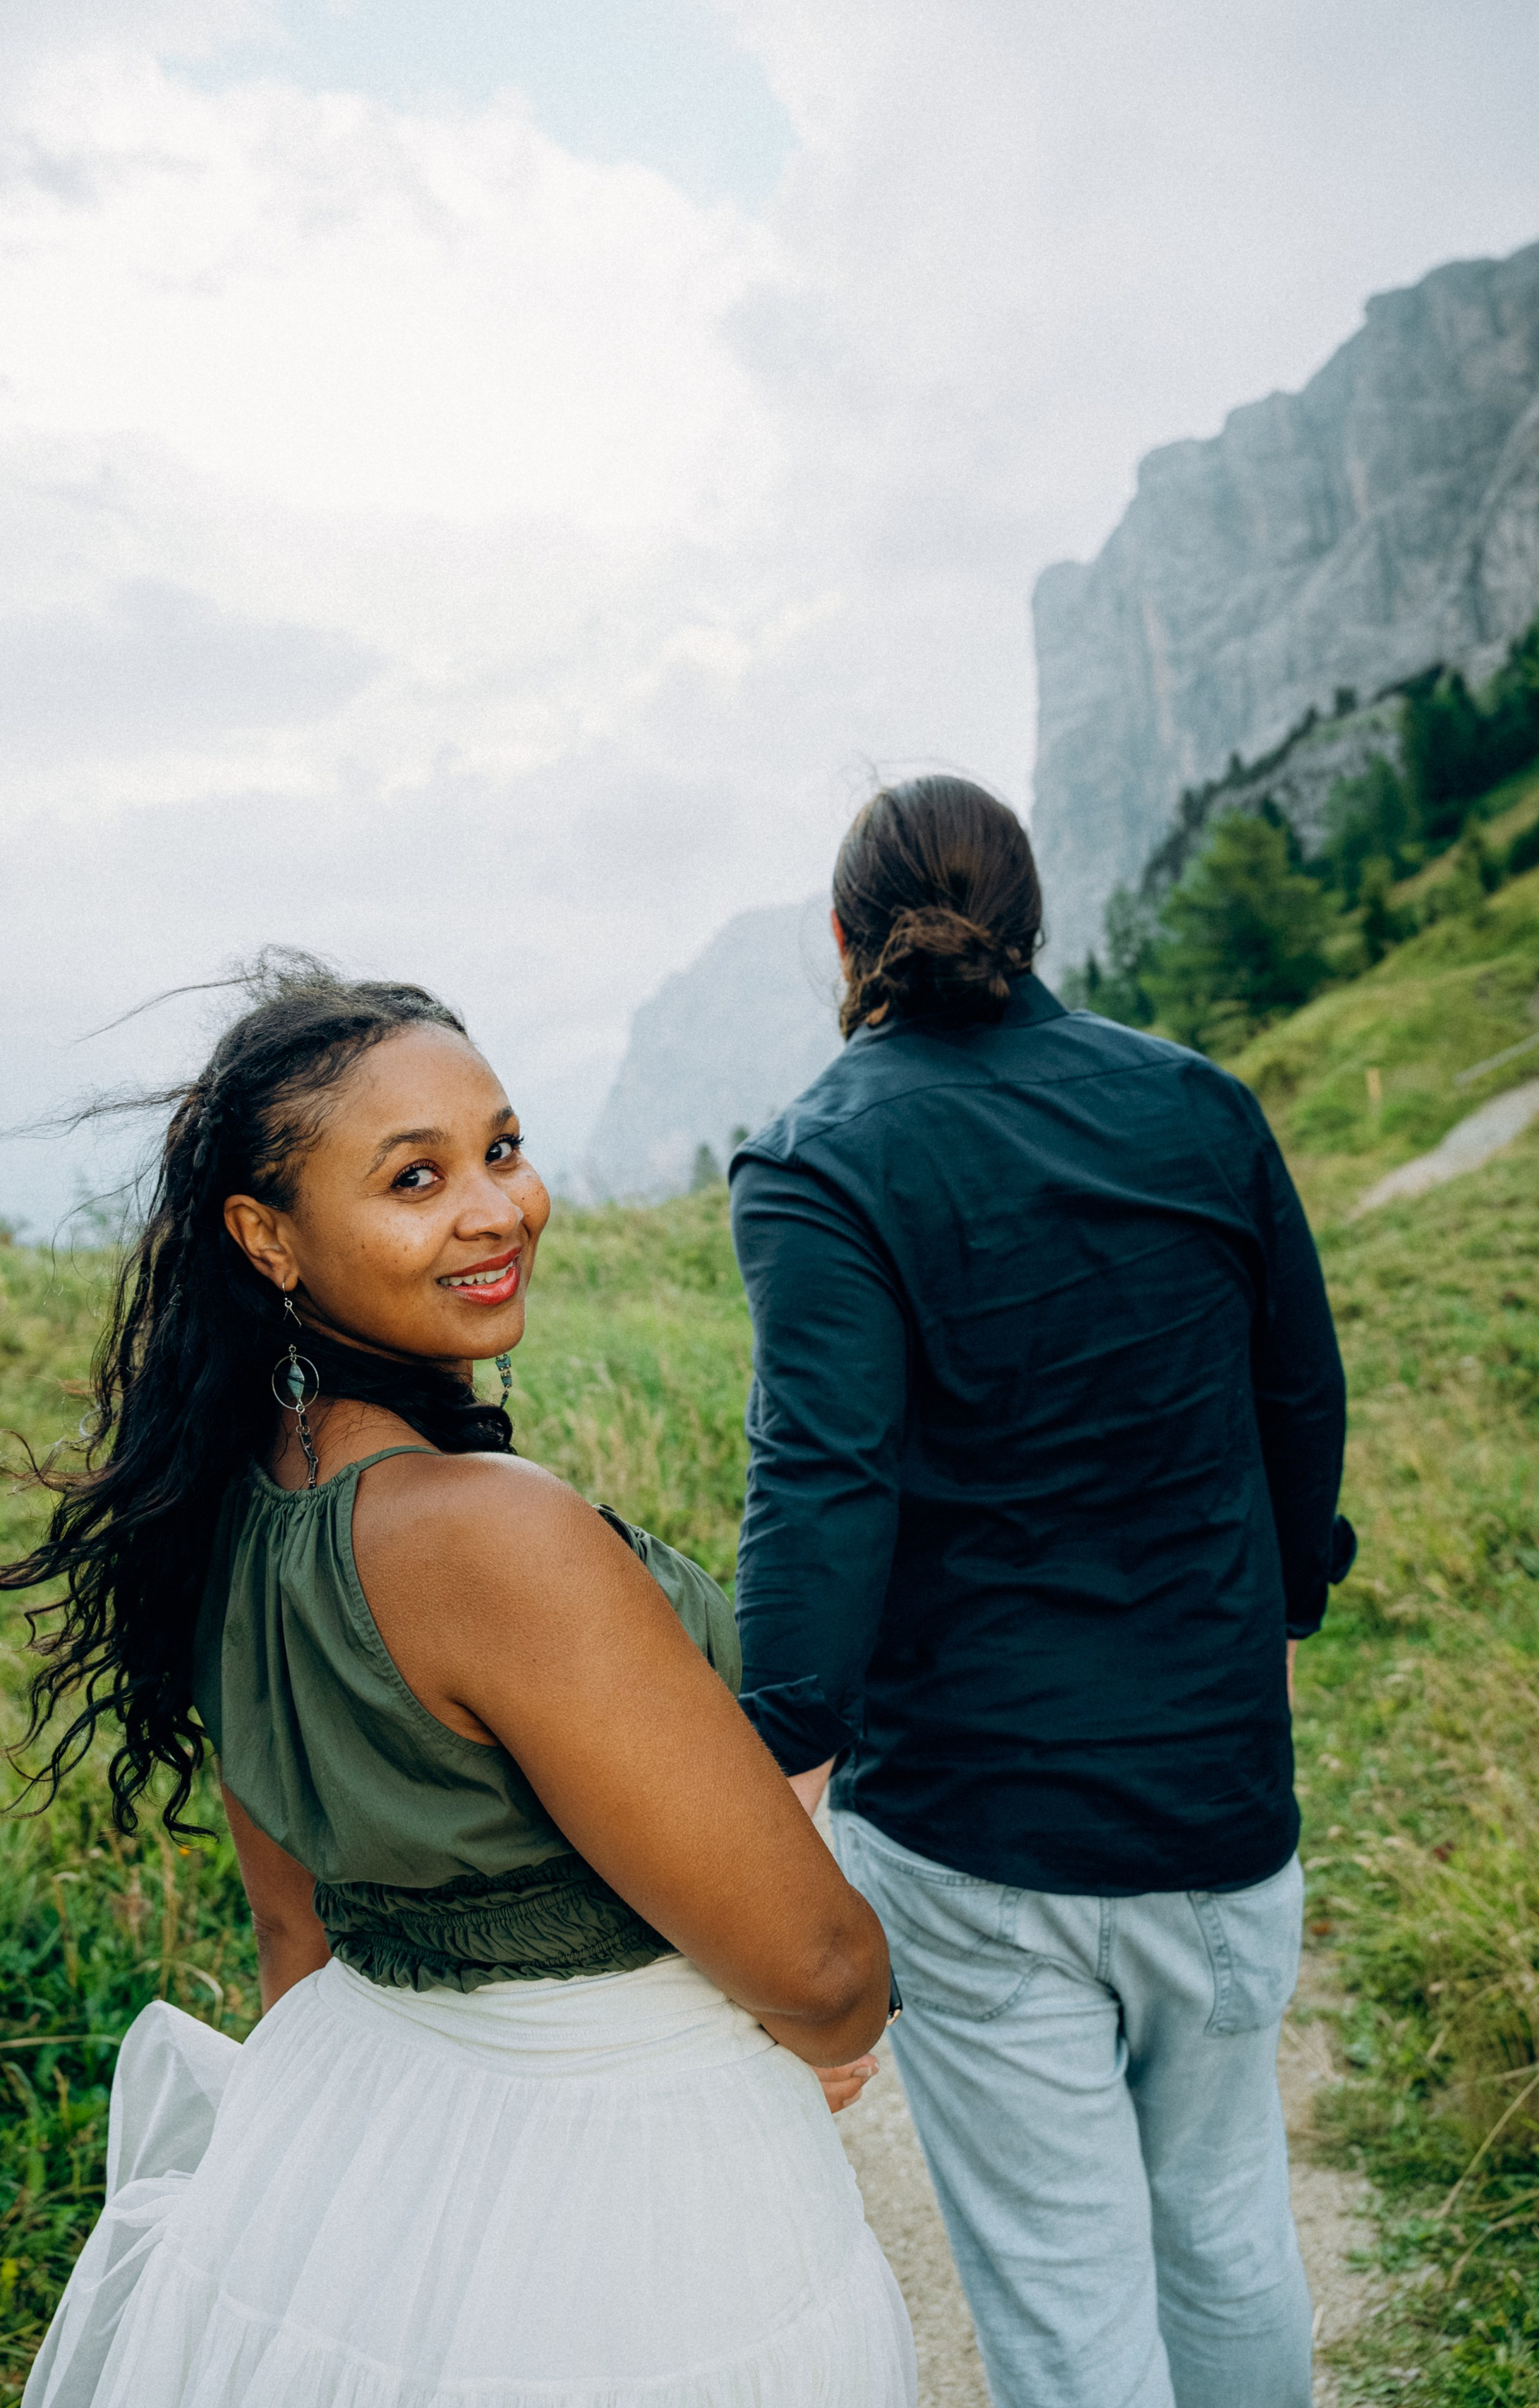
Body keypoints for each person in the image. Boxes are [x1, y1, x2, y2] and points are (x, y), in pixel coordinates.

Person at [0, 955, 915, 2408]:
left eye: (499, 1149)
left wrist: (372, 2192)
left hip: (363, 2120)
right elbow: (816, 1964)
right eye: (414, 1180)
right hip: (624, 2168)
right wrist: (835, 2030)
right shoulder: (486, 1534)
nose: (496, 1207)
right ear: (268, 1237)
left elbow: (289, 1923)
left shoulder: (213, 1507)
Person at [729, 780, 1356, 2408]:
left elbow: (823, 1478)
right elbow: (1298, 1394)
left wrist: (775, 1772)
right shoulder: (1197, 1107)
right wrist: (1282, 1619)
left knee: (1066, 2300)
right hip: (1213, 1801)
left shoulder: (818, 1162)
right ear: (1034, 919)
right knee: (1227, 2233)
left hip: (971, 1835)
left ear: (843, 939)